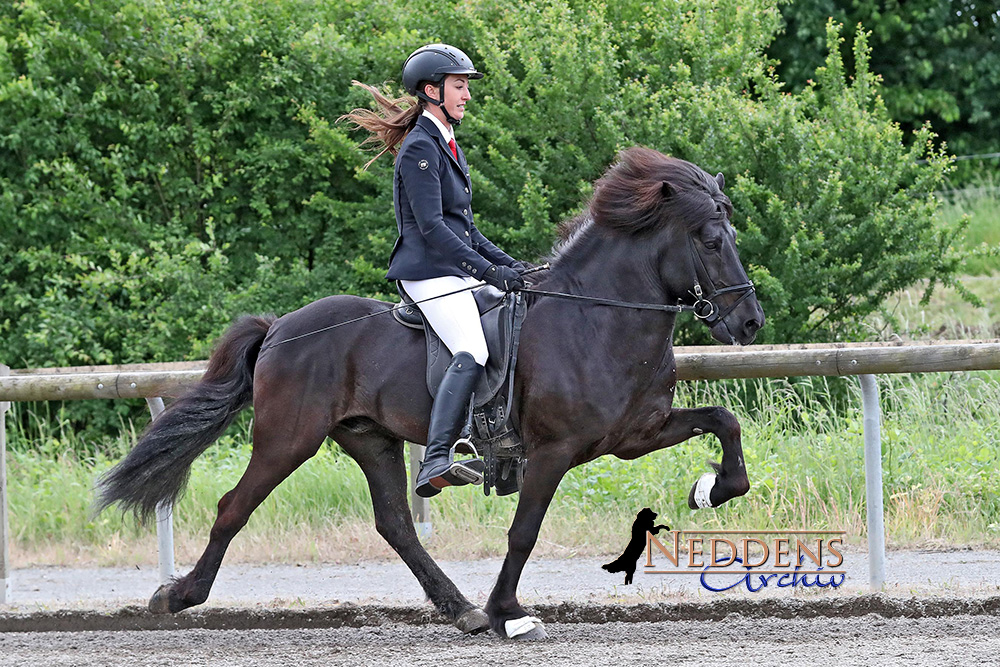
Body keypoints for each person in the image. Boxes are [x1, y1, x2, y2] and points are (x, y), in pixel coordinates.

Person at [341, 44, 525, 498]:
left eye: (465, 86)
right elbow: (433, 229)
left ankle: (501, 449)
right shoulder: (420, 149)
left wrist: (509, 266)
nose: (466, 95)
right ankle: (437, 457)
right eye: (459, 86)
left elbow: (468, 230)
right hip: (428, 273)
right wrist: (486, 270)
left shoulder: (447, 145)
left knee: (514, 323)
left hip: (455, 270)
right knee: (472, 348)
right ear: (431, 90)